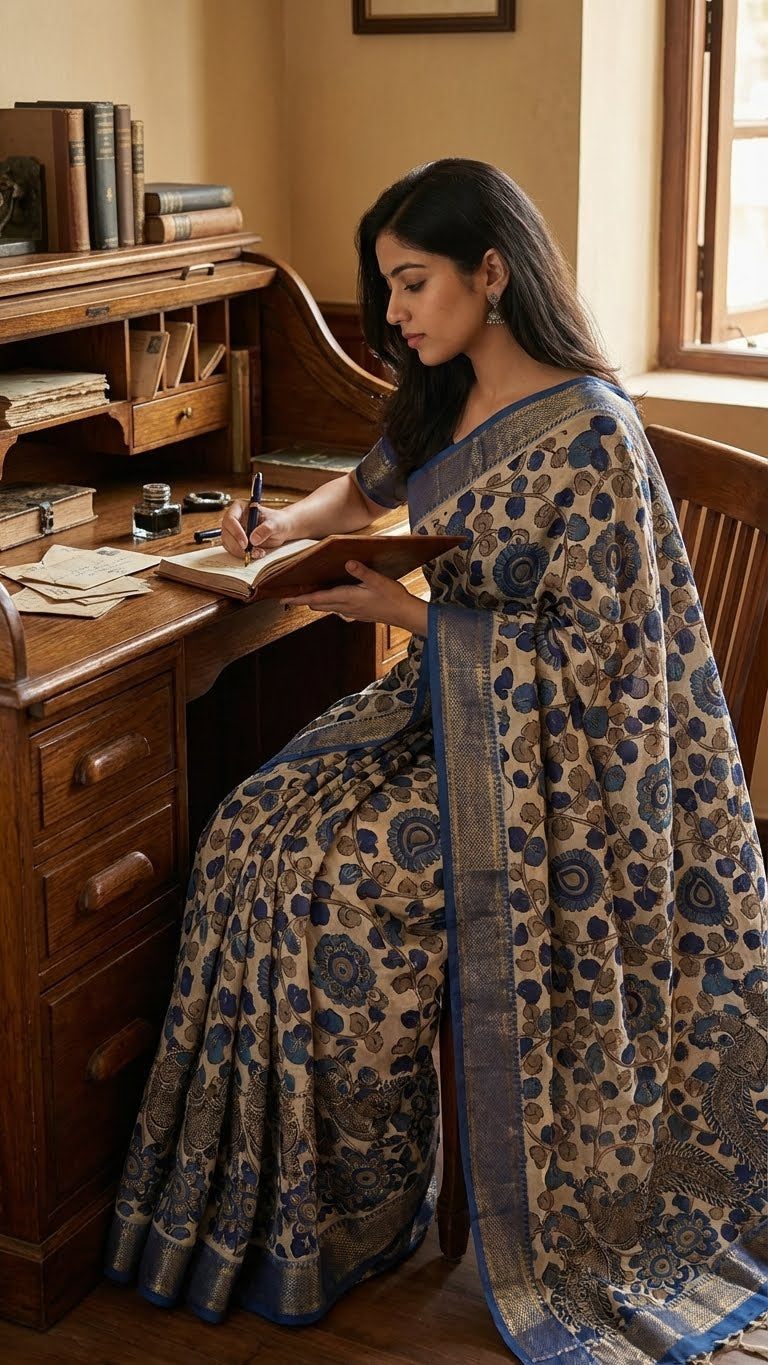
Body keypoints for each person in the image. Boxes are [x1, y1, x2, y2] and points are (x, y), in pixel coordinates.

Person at [105, 159, 768, 1363]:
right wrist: (276, 532)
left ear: (492, 272)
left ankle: (361, 1211)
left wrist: (406, 619)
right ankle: (271, 1212)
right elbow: (356, 499)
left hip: (562, 775)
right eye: (388, 288)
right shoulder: (437, 396)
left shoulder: (594, 435)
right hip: (442, 716)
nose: (396, 314)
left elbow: (602, 669)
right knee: (254, 828)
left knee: (338, 884)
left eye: (412, 285)